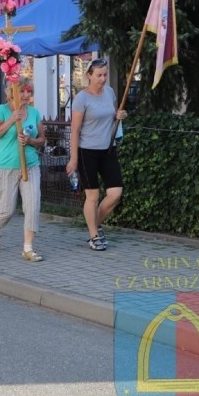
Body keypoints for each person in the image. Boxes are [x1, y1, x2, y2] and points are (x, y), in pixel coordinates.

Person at [66, 58, 128, 251]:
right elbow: (75, 131)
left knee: (115, 193)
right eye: (99, 75)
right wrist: (73, 158)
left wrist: (120, 115)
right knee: (92, 195)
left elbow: (114, 114)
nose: (102, 79)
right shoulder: (82, 99)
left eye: (105, 75)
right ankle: (94, 235)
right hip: (87, 152)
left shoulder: (109, 93)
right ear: (89, 76)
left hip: (108, 149)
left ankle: (94, 224)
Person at [0, 79, 46, 261]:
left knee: (32, 206)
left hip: (30, 165)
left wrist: (30, 141)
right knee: (7, 209)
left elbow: (42, 139)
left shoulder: (35, 113)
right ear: (11, 92)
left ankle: (28, 248)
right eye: (23, 91)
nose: (27, 95)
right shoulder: (3, 111)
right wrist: (12, 119)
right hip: (6, 166)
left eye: (29, 91)